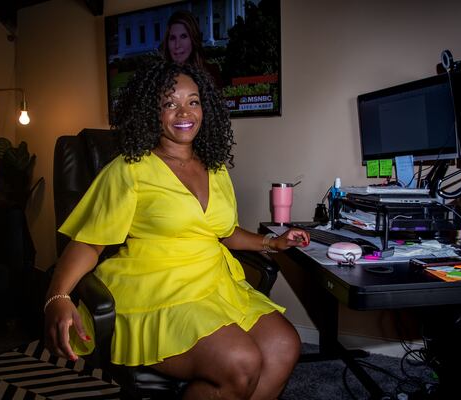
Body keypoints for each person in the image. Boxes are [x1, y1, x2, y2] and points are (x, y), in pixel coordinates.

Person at [44, 54, 310, 400]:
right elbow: (90, 244)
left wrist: (272, 244)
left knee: (285, 345)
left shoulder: (215, 168)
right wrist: (58, 296)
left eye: (193, 102)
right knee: (241, 362)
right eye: (170, 103)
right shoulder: (129, 170)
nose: (185, 114)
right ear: (151, 112)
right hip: (157, 290)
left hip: (213, 284)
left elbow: (224, 232)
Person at [162, 10, 224, 87]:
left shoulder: (211, 73)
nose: (177, 45)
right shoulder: (160, 78)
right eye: (172, 38)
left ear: (193, 39)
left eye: (183, 36)